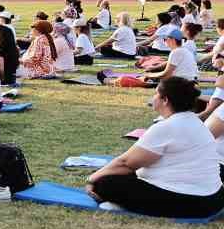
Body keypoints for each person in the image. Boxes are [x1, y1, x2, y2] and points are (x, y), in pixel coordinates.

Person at [88, 77, 224, 219]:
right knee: (119, 174)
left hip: (192, 203)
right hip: (215, 199)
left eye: (156, 94)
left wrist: (92, 179)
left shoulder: (166, 127)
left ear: (165, 100)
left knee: (105, 183)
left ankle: (123, 204)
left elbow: (125, 163)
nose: (153, 98)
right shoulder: (196, 123)